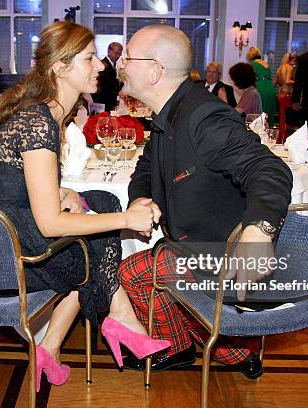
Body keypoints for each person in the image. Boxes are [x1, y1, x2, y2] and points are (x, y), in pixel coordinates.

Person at [0, 21, 170, 391]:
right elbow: (49, 225)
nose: (100, 66)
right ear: (60, 66)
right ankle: (119, 317)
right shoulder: (38, 121)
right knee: (96, 244)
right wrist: (127, 218)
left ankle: (56, 343)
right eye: (90, 58)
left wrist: (64, 194)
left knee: (101, 201)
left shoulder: (43, 114)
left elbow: (11, 183)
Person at [116, 24, 292, 377]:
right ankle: (216, 350)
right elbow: (146, 169)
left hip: (217, 253)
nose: (120, 64)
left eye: (127, 57)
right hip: (189, 244)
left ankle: (211, 350)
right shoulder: (170, 111)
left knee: (131, 275)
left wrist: (260, 231)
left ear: (154, 70)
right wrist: (139, 200)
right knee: (153, 274)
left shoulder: (202, 115)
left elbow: (269, 169)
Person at [246, 47, 277, 125]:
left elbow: (249, 80)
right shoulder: (266, 63)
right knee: (269, 112)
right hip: (271, 88)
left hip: (260, 88)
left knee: (258, 113)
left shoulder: (252, 64)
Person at [91, 42, 122, 111]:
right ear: (109, 51)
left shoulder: (113, 65)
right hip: (103, 104)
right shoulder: (102, 65)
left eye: (119, 54)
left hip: (108, 103)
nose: (118, 56)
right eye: (116, 53)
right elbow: (109, 85)